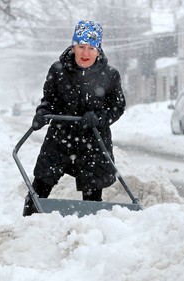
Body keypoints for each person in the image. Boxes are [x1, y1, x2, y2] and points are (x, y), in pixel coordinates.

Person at [23, 20, 126, 216]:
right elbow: (49, 101)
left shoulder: (110, 75)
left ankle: (90, 233)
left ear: (98, 50)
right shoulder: (58, 70)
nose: (85, 53)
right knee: (40, 186)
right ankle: (28, 225)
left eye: (91, 48)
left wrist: (99, 118)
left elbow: (118, 107)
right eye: (81, 47)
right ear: (73, 46)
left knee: (93, 197)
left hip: (94, 142)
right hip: (60, 138)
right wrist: (42, 113)